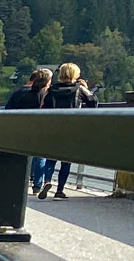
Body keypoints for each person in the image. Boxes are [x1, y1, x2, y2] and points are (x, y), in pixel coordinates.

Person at [37, 63, 96, 199]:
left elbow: (44, 107)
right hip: (71, 129)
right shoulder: (79, 89)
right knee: (66, 161)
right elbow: (93, 102)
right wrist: (87, 88)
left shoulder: (51, 90)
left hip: (53, 129)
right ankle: (60, 190)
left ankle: (47, 181)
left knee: (50, 158)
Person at [3, 67, 51, 190]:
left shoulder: (22, 94)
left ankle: (21, 181)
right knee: (40, 157)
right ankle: (37, 185)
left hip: (21, 130)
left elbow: (8, 111)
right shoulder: (46, 96)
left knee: (23, 156)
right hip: (40, 130)